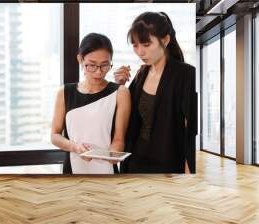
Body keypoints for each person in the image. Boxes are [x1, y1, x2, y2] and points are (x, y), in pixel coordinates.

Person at [114, 12, 197, 174]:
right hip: (134, 163)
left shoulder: (186, 75)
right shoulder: (140, 76)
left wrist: (189, 175)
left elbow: (191, 131)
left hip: (168, 165)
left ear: (165, 40)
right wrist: (120, 87)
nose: (140, 52)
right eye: (135, 45)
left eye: (146, 44)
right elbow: (124, 119)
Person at [51, 33, 131, 174]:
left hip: (107, 173)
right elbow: (55, 136)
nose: (99, 72)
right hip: (72, 171)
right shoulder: (64, 92)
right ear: (80, 59)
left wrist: (114, 154)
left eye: (105, 65)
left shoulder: (121, 93)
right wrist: (75, 147)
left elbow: (119, 139)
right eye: (92, 66)